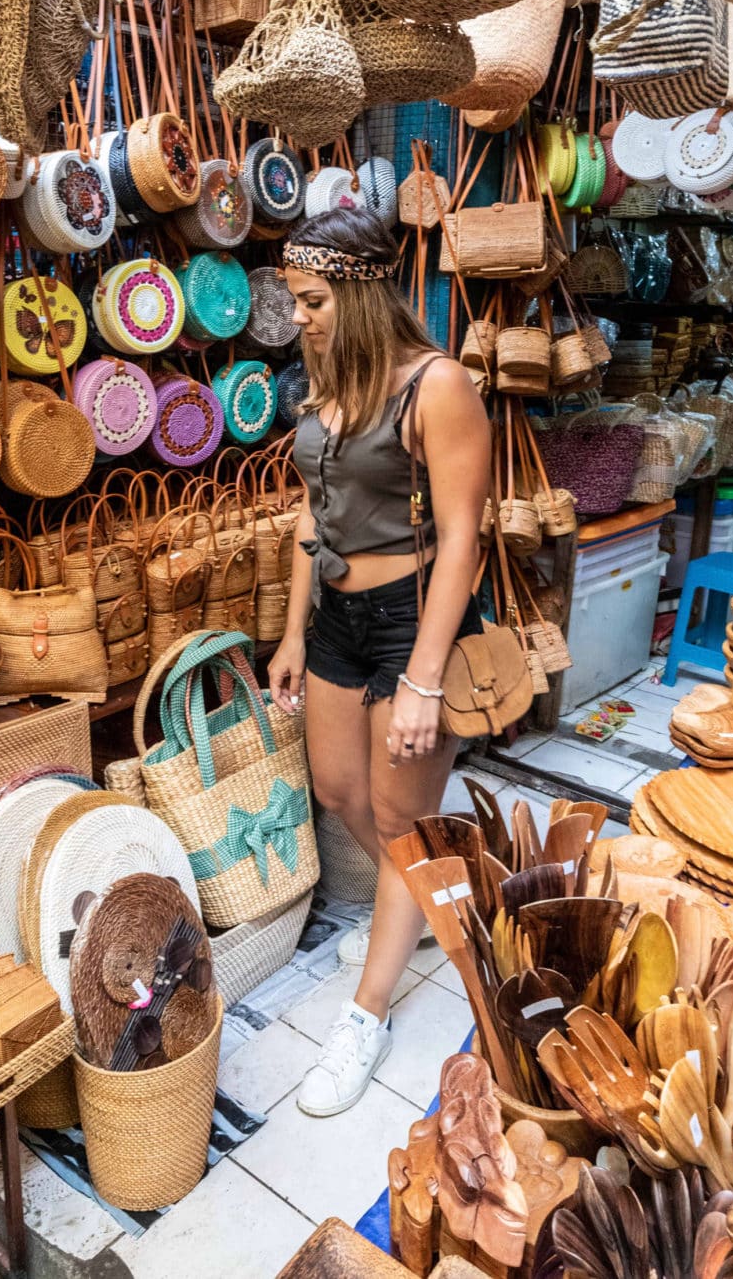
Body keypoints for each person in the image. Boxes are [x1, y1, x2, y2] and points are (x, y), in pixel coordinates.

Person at [268, 207, 491, 1116]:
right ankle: (435, 894)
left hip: (411, 620)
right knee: (339, 792)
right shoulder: (329, 383)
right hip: (335, 616)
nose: (299, 318)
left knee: (402, 821)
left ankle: (365, 1018)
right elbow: (309, 519)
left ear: (360, 290)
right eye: (294, 300)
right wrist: (290, 632)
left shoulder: (437, 386)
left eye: (312, 300)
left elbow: (465, 537)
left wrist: (425, 681)